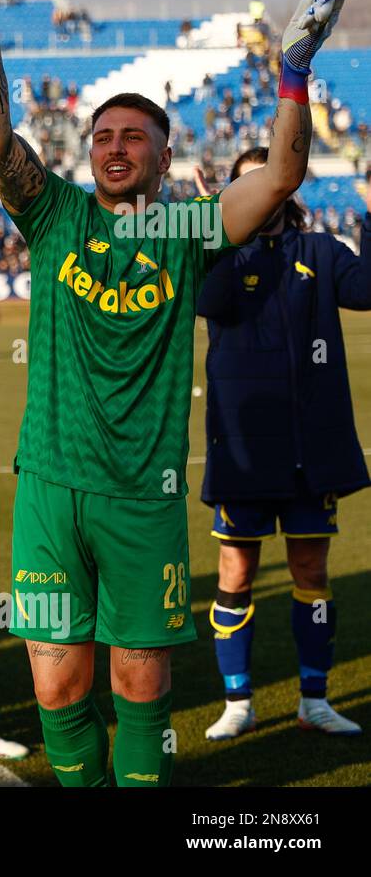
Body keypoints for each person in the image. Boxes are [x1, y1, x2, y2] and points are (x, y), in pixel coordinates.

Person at [0, 0, 354, 786]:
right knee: (57, 683)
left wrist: (293, 72)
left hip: (145, 496)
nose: (115, 146)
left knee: (141, 682)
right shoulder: (55, 213)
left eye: (134, 136)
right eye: (102, 136)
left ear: (166, 158)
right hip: (53, 489)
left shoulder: (185, 232)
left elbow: (280, 176)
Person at [197, 147, 370, 740]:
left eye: (271, 184)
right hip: (243, 451)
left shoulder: (319, 252)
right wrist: (217, 231)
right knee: (235, 570)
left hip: (309, 453)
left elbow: (368, 289)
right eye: (249, 187)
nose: (262, 195)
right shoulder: (219, 255)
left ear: (288, 190)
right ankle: (237, 701)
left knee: (311, 571)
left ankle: (313, 699)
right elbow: (207, 303)